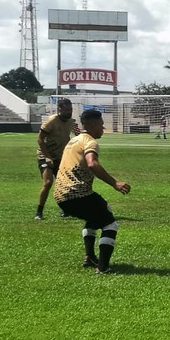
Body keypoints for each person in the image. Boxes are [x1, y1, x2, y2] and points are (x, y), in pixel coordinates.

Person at [53, 109, 131, 274]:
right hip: (77, 193)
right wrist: (115, 183)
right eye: (102, 125)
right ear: (94, 125)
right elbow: (92, 163)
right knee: (110, 224)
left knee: (97, 216)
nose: (103, 129)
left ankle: (89, 257)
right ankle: (102, 268)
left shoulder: (73, 141)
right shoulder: (90, 142)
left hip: (61, 195)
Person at [35, 98, 79, 221]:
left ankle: (65, 210)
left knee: (65, 184)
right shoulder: (51, 121)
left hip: (61, 156)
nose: (69, 112)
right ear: (59, 109)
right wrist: (48, 157)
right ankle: (39, 212)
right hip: (46, 155)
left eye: (70, 110)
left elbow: (76, 132)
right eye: (66, 110)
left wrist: (80, 133)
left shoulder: (70, 121)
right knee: (48, 182)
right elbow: (40, 139)